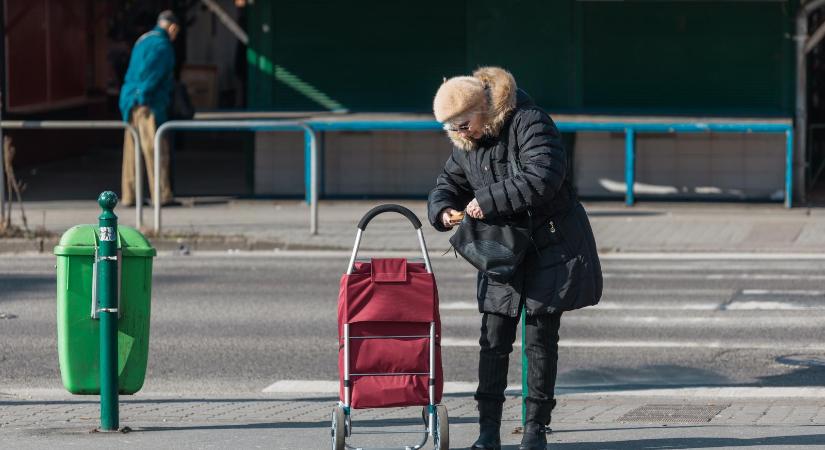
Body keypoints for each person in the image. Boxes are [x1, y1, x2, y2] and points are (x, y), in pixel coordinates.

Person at [427, 67, 602, 450]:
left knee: (540, 338)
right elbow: (448, 183)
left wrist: (485, 201)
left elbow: (545, 175)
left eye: (464, 124)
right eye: (452, 128)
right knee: (493, 340)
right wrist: (442, 211)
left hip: (548, 245)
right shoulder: (465, 141)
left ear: (482, 107)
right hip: (501, 250)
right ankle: (487, 431)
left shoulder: (529, 120)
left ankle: (535, 430)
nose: (460, 134)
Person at [119, 10, 179, 207]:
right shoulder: (163, 46)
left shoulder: (142, 40)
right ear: (172, 27)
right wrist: (144, 96)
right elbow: (152, 76)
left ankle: (130, 195)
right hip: (148, 103)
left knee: (132, 152)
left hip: (130, 101)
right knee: (155, 149)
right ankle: (161, 195)